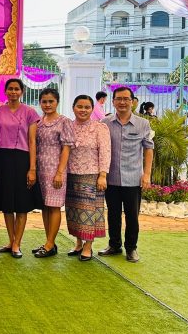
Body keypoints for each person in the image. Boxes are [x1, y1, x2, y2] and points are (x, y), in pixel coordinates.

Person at [100, 87, 154, 263]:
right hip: (111, 178)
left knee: (132, 216)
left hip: (133, 179)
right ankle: (114, 245)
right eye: (118, 99)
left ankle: (131, 248)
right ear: (113, 101)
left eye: (126, 99)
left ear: (132, 101)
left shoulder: (143, 124)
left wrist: (147, 174)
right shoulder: (105, 123)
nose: (122, 102)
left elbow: (149, 149)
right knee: (113, 214)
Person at [0, 78, 42, 259]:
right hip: (2, 159)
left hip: (22, 159)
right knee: (6, 204)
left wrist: (32, 168)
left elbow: (33, 141)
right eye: (10, 89)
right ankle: (10, 240)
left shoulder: (30, 112)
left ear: (22, 92)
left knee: (21, 204)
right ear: (5, 91)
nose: (13, 92)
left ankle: (17, 243)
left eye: (16, 89)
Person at [66, 95, 111, 262]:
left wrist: (103, 175)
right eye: (79, 106)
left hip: (91, 175)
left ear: (92, 109)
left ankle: (88, 246)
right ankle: (78, 243)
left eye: (87, 107)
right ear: (73, 107)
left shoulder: (100, 128)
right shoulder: (68, 126)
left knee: (89, 212)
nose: (83, 110)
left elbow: (105, 152)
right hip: (71, 174)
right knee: (74, 211)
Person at [33, 88, 75, 258]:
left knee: (54, 206)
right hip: (40, 170)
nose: (47, 104)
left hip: (56, 170)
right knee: (45, 206)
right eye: (44, 101)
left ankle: (50, 244)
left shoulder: (64, 122)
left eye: (51, 101)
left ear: (57, 102)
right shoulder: (38, 122)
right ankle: (49, 242)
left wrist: (59, 172)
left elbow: (66, 149)